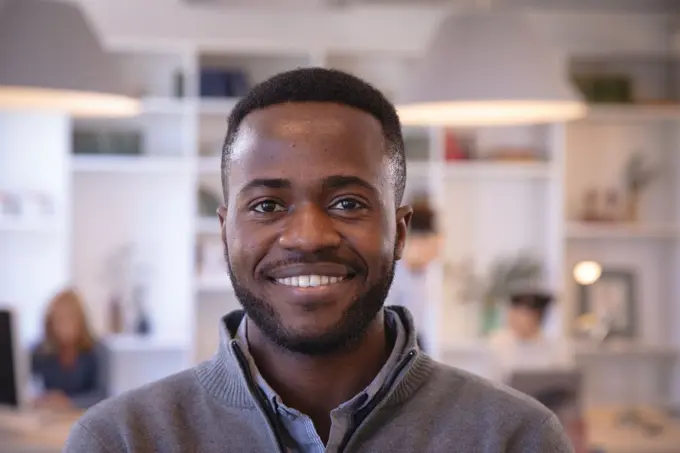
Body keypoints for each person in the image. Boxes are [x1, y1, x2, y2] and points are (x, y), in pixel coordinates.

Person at [64, 68, 573, 452]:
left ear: (398, 231)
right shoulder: (122, 441)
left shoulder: (513, 438)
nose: (307, 237)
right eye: (267, 205)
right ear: (225, 232)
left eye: (348, 203)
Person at [30, 288, 107, 410]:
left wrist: (69, 402)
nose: (64, 325)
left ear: (81, 321)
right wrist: (39, 398)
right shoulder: (41, 351)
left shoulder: (97, 349)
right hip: (50, 418)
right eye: (58, 319)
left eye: (70, 318)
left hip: (85, 419)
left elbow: (103, 395)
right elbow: (25, 385)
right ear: (50, 322)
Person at [385, 198, 441, 351]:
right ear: (417, 241)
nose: (437, 253)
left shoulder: (421, 274)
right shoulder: (392, 277)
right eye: (434, 244)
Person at [489, 290, 575, 383]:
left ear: (536, 316)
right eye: (512, 312)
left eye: (520, 314)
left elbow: (562, 383)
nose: (513, 318)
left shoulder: (556, 347)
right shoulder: (496, 344)